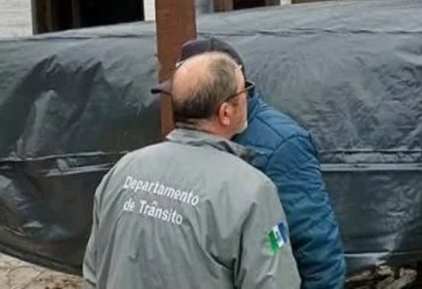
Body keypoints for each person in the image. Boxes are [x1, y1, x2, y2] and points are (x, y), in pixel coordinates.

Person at [83, 51, 301, 288]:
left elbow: (94, 272)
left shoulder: (123, 170)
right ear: (225, 112)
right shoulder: (252, 191)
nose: (249, 97)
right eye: (244, 90)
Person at [152, 37, 345, 289]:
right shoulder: (199, 140)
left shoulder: (281, 145)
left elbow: (316, 245)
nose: (185, 111)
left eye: (193, 100)